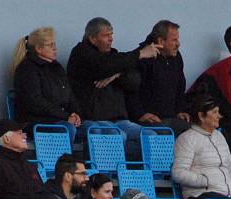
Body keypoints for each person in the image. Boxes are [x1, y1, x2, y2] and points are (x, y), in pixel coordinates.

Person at [66, 17, 161, 159]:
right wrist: (139, 54)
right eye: (106, 35)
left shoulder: (115, 57)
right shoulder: (81, 53)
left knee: (150, 136)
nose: (111, 39)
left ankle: (140, 176)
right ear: (92, 38)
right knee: (117, 136)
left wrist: (116, 75)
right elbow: (102, 66)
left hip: (120, 120)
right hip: (93, 118)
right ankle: (111, 176)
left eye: (111, 34)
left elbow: (134, 81)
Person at [12, 26, 81, 146]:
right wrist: (66, 116)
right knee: (66, 129)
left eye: (54, 44)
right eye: (50, 45)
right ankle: (65, 163)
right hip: (36, 122)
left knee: (96, 128)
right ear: (39, 48)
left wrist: (76, 115)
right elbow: (35, 102)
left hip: (61, 119)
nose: (55, 48)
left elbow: (69, 96)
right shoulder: (27, 69)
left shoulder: (57, 67)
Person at [129, 20, 190, 136]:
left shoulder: (176, 57)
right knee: (165, 134)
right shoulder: (142, 57)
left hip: (171, 118)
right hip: (149, 120)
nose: (178, 44)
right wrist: (140, 114)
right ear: (161, 41)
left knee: (196, 134)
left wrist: (180, 111)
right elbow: (131, 89)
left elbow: (180, 87)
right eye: (174, 40)